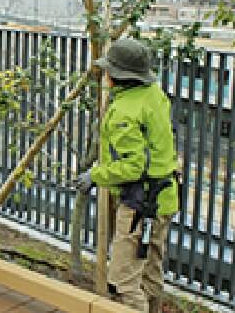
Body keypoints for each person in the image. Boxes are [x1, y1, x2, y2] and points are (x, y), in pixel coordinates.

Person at [74, 39, 179, 313]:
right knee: (149, 275)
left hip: (139, 206)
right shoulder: (153, 94)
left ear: (117, 76)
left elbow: (134, 166)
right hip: (164, 197)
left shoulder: (124, 111)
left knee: (123, 281)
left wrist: (95, 176)